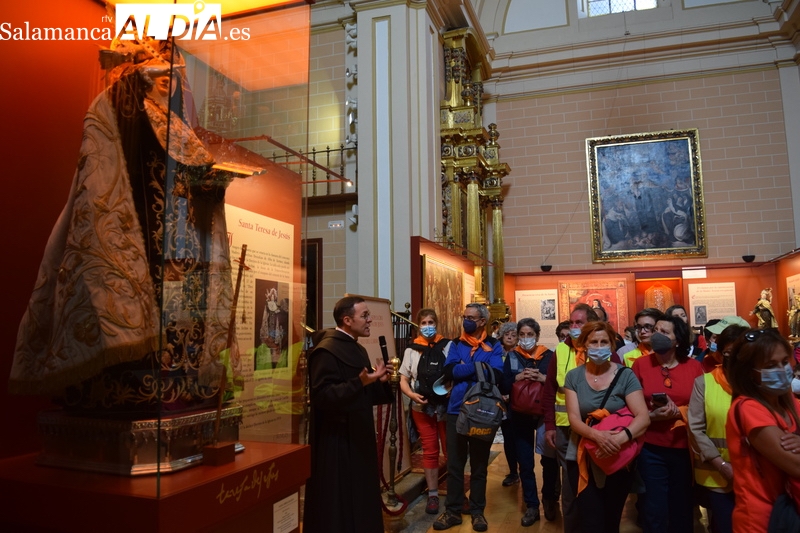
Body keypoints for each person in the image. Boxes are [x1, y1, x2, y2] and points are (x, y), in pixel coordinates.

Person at [10, 37, 243, 408]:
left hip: (179, 243)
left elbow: (193, 177)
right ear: (142, 75)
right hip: (141, 239)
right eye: (162, 74)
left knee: (180, 319)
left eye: (175, 77)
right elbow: (108, 167)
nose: (171, 82)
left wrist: (214, 184)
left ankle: (181, 381)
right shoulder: (124, 111)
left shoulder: (177, 127)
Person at [304, 296, 395, 533]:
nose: (369, 320)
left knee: (361, 499)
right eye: (364, 315)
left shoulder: (356, 347)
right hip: (336, 443)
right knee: (340, 503)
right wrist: (360, 382)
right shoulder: (326, 351)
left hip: (357, 437)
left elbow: (364, 394)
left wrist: (379, 382)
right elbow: (322, 396)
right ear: (347, 320)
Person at [564, 321, 649, 533]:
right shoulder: (573, 377)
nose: (599, 346)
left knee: (611, 518)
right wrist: (599, 437)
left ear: (612, 345)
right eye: (594, 342)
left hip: (618, 456)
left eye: (604, 342)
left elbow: (643, 417)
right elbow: (574, 419)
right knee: (590, 520)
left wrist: (616, 441)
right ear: (584, 344)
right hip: (583, 455)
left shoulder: (625, 375)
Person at [433, 303, 504, 532]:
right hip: (456, 410)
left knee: (479, 465)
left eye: (471, 317)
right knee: (454, 464)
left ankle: (477, 512)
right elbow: (450, 371)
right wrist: (478, 366)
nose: (466, 321)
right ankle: (452, 511)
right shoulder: (456, 343)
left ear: (482, 321)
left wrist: (468, 367)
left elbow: (496, 375)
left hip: (482, 411)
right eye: (464, 317)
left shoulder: (494, 345)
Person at [632, 314, 703, 533]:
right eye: (656, 331)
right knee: (654, 507)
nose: (657, 336)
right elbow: (632, 406)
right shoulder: (640, 365)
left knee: (682, 505)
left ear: (678, 340)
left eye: (665, 332)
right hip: (651, 447)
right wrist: (652, 416)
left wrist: (679, 412)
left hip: (684, 447)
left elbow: (703, 408)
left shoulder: (694, 367)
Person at [726, 328, 800, 533]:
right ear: (751, 373)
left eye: (785, 361)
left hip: (791, 512)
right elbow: (796, 466)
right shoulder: (749, 408)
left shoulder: (788, 402)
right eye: (770, 365)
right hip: (762, 521)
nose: (782, 369)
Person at [543, 303, 600, 533]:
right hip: (566, 430)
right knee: (570, 483)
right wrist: (549, 426)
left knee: (595, 482)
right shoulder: (561, 350)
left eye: (579, 322)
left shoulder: (601, 348)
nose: (574, 327)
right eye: (572, 322)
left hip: (597, 428)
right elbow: (549, 391)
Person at [688, 323, 748, 533]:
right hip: (717, 474)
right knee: (724, 525)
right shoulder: (704, 383)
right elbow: (696, 428)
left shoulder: (755, 383)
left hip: (754, 473)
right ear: (720, 354)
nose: (734, 358)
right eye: (729, 353)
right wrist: (722, 465)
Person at [503, 318, 559, 526]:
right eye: (522, 335)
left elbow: (557, 382)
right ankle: (532, 505)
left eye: (530, 335)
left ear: (537, 335)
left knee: (548, 459)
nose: (526, 339)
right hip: (520, 413)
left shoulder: (549, 356)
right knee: (525, 462)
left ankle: (550, 499)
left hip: (545, 413)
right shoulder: (513, 356)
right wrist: (518, 378)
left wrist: (543, 378)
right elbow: (504, 384)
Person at [399, 308, 451, 515]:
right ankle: (432, 494)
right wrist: (411, 395)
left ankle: (455, 492)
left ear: (436, 323)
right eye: (424, 323)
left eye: (431, 322)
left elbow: (455, 372)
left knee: (451, 450)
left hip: (445, 407)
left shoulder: (448, 346)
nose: (428, 326)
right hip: (421, 406)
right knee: (429, 450)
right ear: (418, 326)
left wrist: (451, 390)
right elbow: (403, 378)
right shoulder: (411, 349)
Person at [497, 321, 520, 488]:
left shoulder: (520, 354)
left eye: (513, 334)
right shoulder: (496, 354)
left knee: (519, 437)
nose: (510, 337)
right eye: (507, 334)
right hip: (500, 400)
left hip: (517, 400)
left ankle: (523, 469)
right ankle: (513, 471)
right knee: (508, 438)